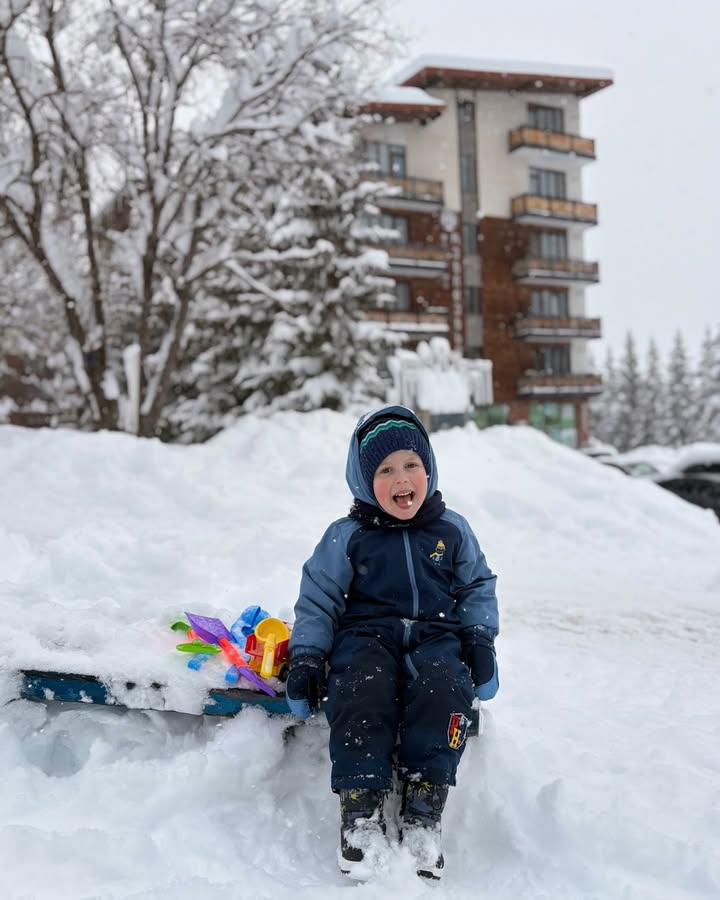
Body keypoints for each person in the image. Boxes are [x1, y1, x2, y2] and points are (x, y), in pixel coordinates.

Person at [285, 405, 499, 880]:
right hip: (367, 636)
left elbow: (476, 586)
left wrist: (480, 638)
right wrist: (307, 656)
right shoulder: (348, 536)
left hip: (436, 637)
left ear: (428, 469)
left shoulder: (452, 530)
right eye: (384, 470)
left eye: (411, 466)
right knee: (361, 685)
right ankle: (360, 805)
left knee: (445, 688)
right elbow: (318, 599)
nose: (401, 479)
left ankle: (425, 807)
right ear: (363, 480)